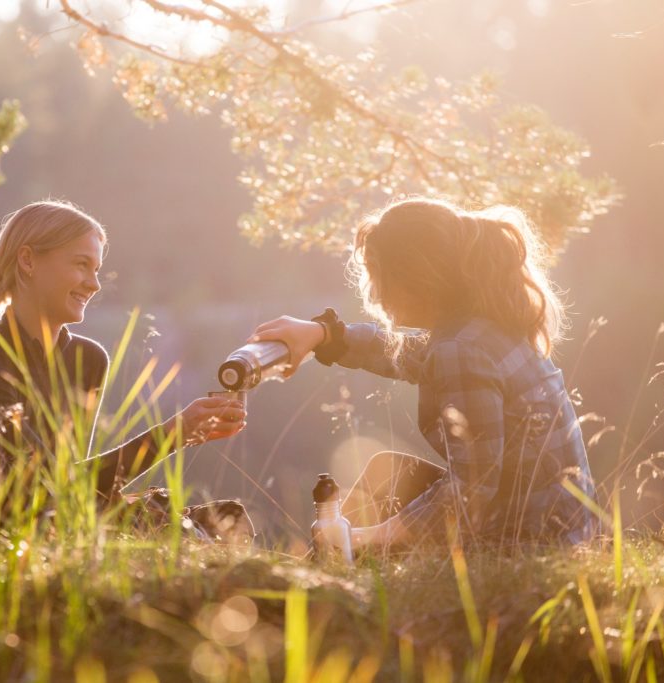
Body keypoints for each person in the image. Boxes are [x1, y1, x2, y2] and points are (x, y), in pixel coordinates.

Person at [251, 197, 597, 549]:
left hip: (527, 543)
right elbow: (409, 353)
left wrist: (370, 537)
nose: (372, 292)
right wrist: (324, 336)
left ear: (413, 278)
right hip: (564, 529)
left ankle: (329, 576)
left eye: (377, 274)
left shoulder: (460, 350)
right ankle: (332, 569)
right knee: (385, 469)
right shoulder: (482, 326)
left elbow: (473, 489)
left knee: (376, 503)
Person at [0, 200, 247, 525]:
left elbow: (73, 488)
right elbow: (37, 489)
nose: (94, 283)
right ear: (28, 260)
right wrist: (172, 434)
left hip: (51, 538)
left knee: (228, 520)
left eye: (96, 269)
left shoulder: (86, 360)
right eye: (81, 264)